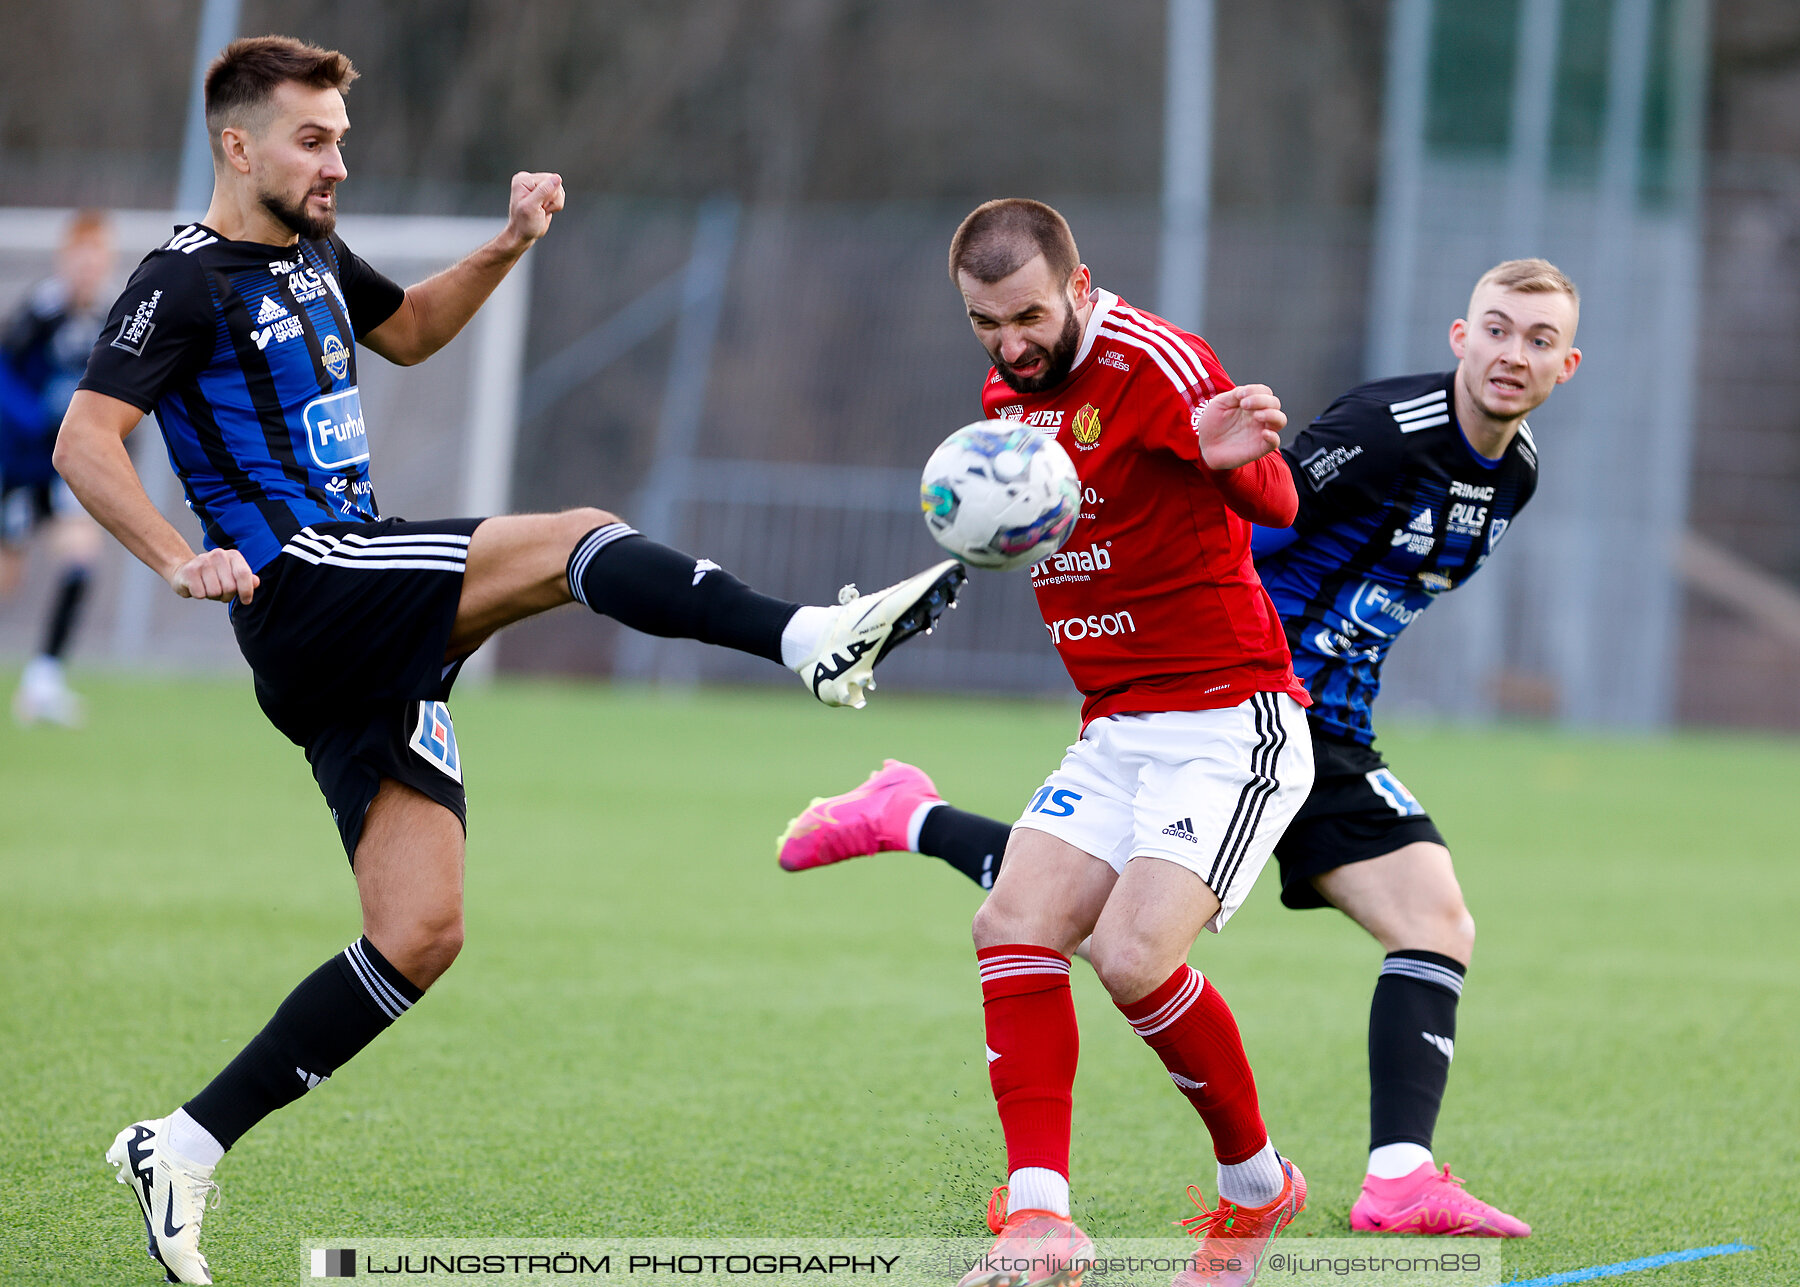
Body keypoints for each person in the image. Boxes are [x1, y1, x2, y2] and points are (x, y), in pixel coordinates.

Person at [56, 37, 963, 1286]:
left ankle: (187, 1141)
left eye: (339, 137)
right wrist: (173, 557)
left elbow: (414, 333)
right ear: (237, 144)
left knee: (419, 932)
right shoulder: (184, 280)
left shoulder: (312, 250)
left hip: (355, 624)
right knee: (577, 537)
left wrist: (509, 240)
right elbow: (85, 440)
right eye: (312, 140)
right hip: (310, 585)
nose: (337, 161)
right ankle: (810, 639)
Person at [777, 258, 1584, 1242]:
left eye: (1537, 340)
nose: (1513, 353)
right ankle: (1350, 1180)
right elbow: (1243, 521)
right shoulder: (1382, 434)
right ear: (1461, 337)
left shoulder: (1518, 474)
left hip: (1332, 725)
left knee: (1421, 920)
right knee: (1107, 930)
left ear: (1566, 365)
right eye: (1497, 329)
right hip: (1250, 697)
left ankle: (1392, 1181)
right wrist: (1170, 655)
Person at [904, 199, 1316, 1287]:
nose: (1010, 345)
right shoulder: (1009, 391)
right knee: (1014, 921)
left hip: (1232, 719)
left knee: (1133, 957)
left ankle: (1257, 1188)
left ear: (1080, 286)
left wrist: (1234, 459)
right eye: (986, 324)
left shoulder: (1159, 362)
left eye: (1029, 316)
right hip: (1117, 725)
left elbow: (1273, 502)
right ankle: (1040, 1224)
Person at [0, 210, 114, 725]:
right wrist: (37, 419)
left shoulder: (106, 321)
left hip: (63, 470)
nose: (88, 269)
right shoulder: (39, 314)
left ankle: (44, 680)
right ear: (65, 261)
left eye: (98, 259)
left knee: (81, 558)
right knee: (7, 576)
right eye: (81, 258)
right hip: (20, 468)